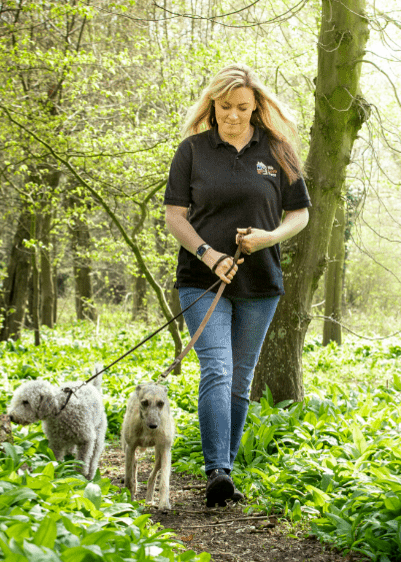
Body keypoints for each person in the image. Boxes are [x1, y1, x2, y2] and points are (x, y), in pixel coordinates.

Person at [163, 63, 311, 507]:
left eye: (242, 107)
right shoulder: (192, 151)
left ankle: (224, 471)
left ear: (256, 106)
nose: (232, 115)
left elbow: (299, 214)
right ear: (212, 104)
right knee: (218, 369)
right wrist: (208, 253)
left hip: (261, 280)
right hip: (201, 280)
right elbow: (175, 216)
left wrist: (269, 238)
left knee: (241, 380)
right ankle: (217, 471)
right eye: (224, 106)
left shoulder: (278, 151)